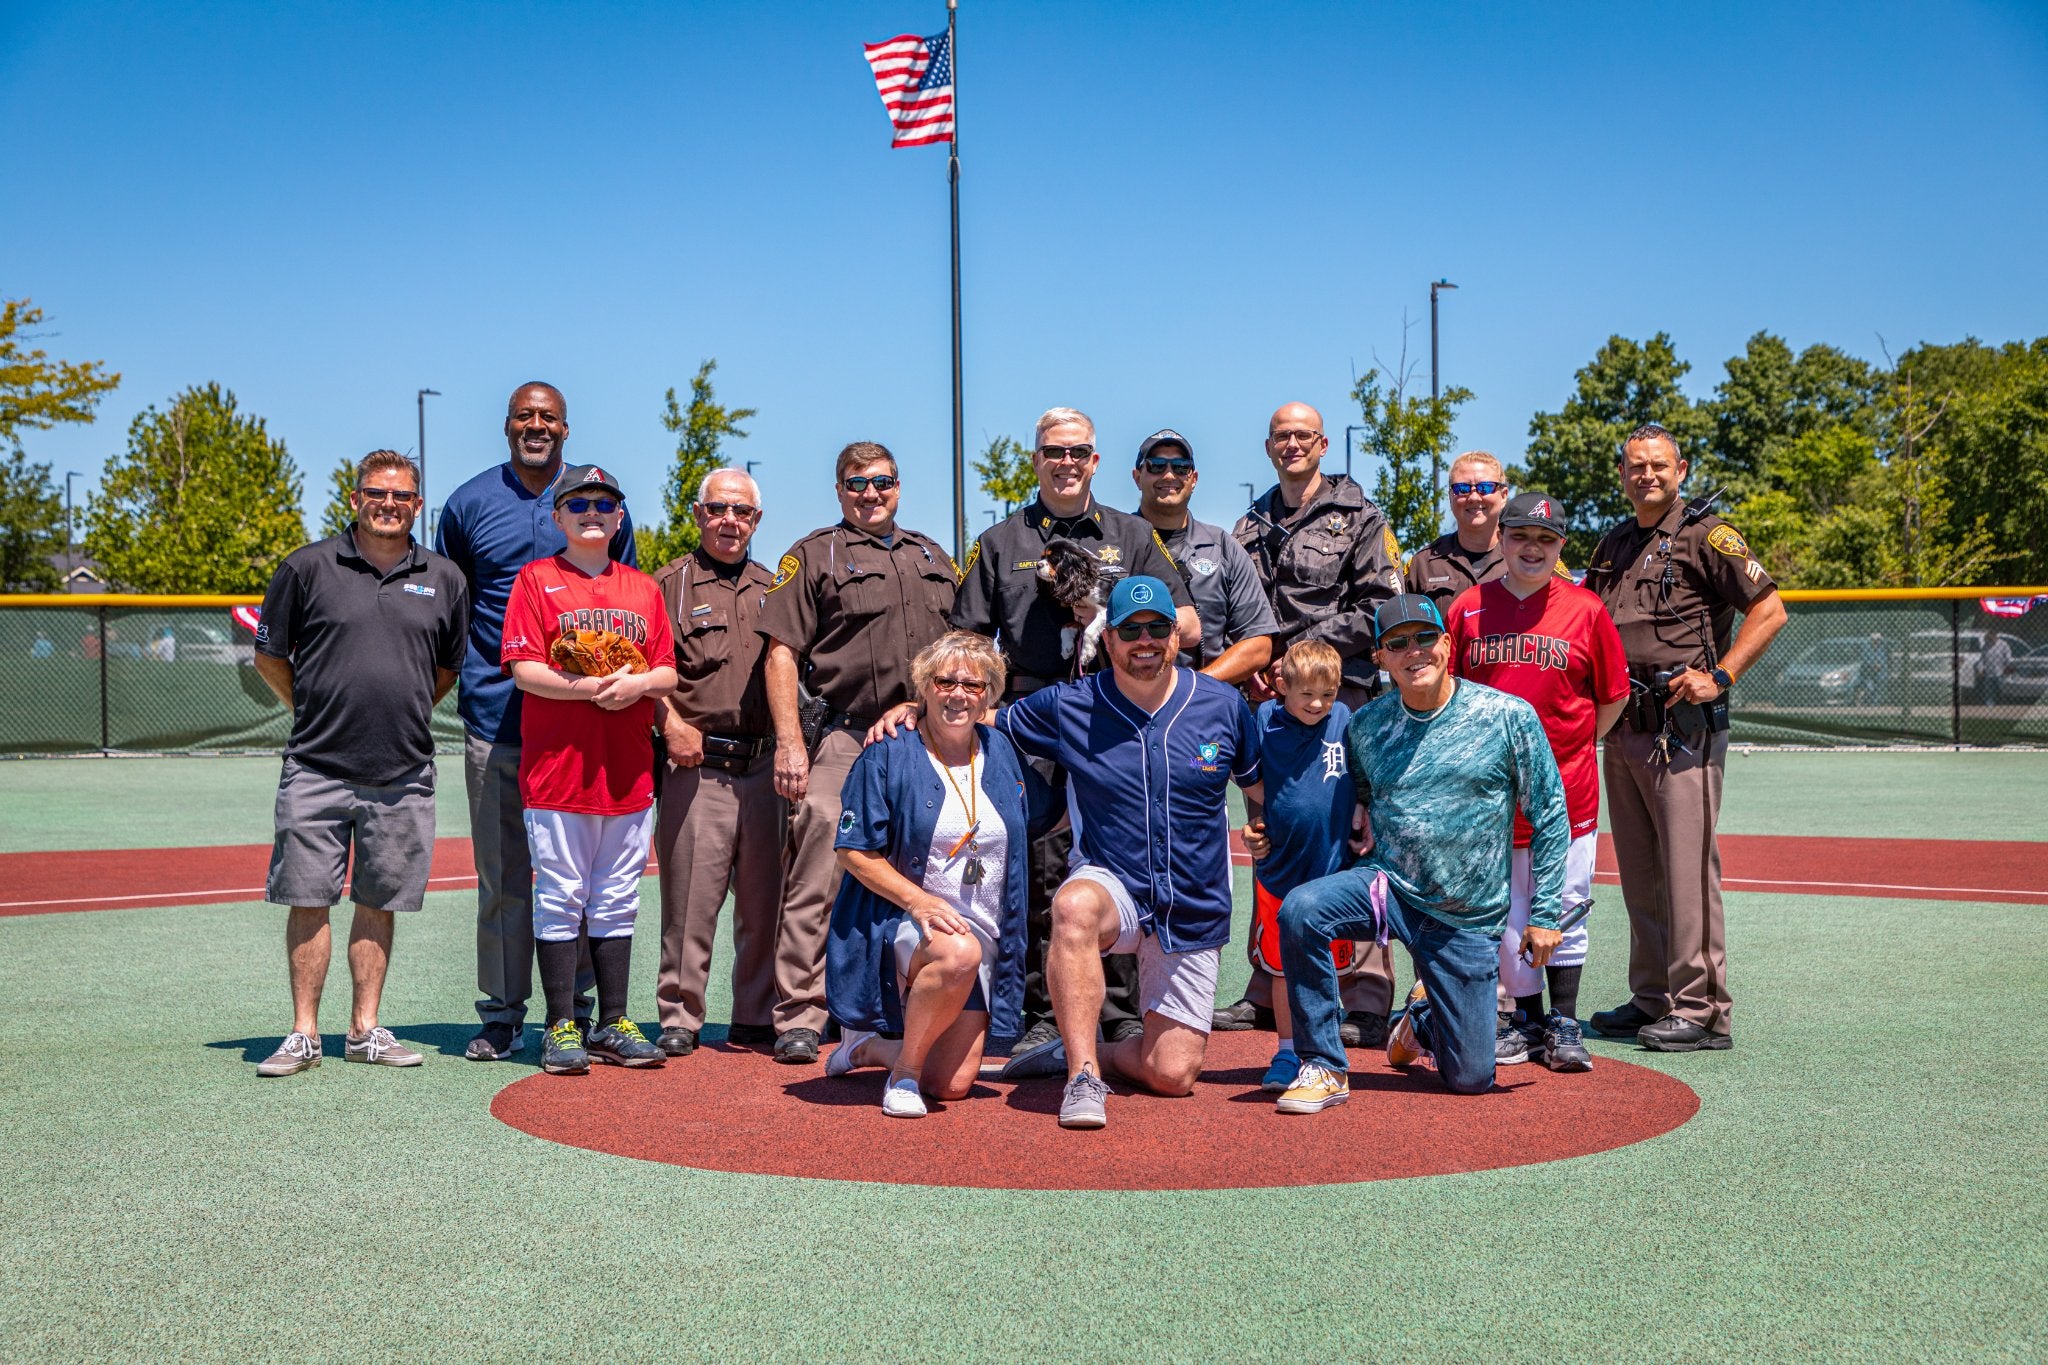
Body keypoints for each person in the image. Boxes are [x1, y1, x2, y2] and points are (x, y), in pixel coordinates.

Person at [948, 406, 1198, 1068]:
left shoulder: (1134, 533)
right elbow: (967, 638)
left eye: (1078, 451)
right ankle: (1039, 1012)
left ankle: (1113, 1015)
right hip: (1029, 717)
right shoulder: (1001, 541)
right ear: (1035, 460)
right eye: (1052, 451)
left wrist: (1105, 603)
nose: (1066, 461)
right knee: (1037, 866)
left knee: (1117, 861)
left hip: (1112, 717)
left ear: (1094, 460)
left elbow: (1190, 623)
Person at [1272, 594, 1570, 1113]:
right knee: (1301, 910)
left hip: (1466, 920)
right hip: (1389, 889)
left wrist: (1544, 915)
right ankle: (1321, 1063)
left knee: (1472, 1078)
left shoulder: (1505, 716)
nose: (1415, 652)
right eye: (1398, 643)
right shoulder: (1367, 725)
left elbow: (1550, 815)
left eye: (1425, 638)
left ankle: (1422, 1017)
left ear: (1448, 645)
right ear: (1383, 658)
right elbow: (1359, 791)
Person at [998, 576, 1262, 1129]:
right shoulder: (1069, 704)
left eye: (1157, 628)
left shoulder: (1223, 704)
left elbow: (1258, 793)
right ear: (1109, 640)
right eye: (1130, 630)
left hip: (1191, 898)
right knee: (1073, 909)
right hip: (1111, 880)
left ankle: (1090, 1054)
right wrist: (910, 710)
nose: (1144, 640)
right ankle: (1082, 1073)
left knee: (1172, 1076)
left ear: (1176, 637)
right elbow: (983, 721)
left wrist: (1266, 826)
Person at [437, 382, 637, 1062]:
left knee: (579, 876)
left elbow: (623, 603)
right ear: (506, 425)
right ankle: (500, 1013)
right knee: (502, 876)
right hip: (498, 717)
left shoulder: (598, 503)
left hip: (582, 724)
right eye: (525, 415)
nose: (536, 425)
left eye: (548, 416)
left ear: (566, 427)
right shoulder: (468, 503)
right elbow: (451, 601)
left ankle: (574, 1010)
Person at [252, 450, 468, 1077]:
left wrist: (398, 710)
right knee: (308, 896)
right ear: (355, 498)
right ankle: (303, 1035)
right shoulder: (306, 567)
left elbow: (446, 669)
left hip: (402, 772)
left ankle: (364, 1029)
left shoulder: (445, 577)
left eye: (401, 496)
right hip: (316, 766)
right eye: (377, 492)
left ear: (416, 504)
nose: (389, 504)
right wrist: (313, 707)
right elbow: (270, 657)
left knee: (378, 899)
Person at [1583, 424, 1786, 1052]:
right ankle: (1653, 997)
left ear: (1682, 469)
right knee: (1640, 874)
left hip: (1681, 731)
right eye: (1636, 466)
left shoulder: (1707, 535)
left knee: (1687, 870)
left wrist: (1721, 676)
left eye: (1658, 465)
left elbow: (1770, 609)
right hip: (1624, 727)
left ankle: (1701, 1010)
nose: (1647, 475)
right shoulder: (1612, 544)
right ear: (1622, 473)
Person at [760, 442, 957, 1065]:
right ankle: (800, 1012)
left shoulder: (933, 555)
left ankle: (926, 999)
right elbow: (781, 653)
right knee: (821, 849)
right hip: (846, 736)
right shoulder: (814, 554)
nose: (870, 494)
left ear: (899, 485)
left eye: (882, 482)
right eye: (856, 484)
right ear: (839, 489)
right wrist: (791, 742)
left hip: (924, 737)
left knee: (938, 861)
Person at [1223, 401, 1402, 1045]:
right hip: (1268, 702)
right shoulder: (1251, 522)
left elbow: (1379, 608)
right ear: (1268, 446)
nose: (1292, 444)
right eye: (1282, 436)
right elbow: (1235, 609)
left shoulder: (1360, 515)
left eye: (1303, 435)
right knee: (1273, 830)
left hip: (1338, 698)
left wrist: (1302, 656)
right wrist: (1255, 663)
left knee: (1352, 837)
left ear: (1323, 444)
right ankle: (1266, 984)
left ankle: (1365, 990)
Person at [825, 633, 1061, 1116]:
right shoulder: (889, 751)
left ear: (989, 694)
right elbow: (854, 852)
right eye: (945, 681)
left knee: (952, 1084)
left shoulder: (1004, 751)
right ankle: (904, 1077)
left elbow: (1046, 812)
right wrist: (921, 902)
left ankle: (866, 1048)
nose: (958, 694)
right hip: (908, 925)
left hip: (983, 932)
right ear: (924, 689)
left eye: (973, 685)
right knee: (958, 952)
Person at [501, 464, 677, 1074]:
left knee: (616, 897)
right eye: (578, 504)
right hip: (557, 770)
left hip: (628, 770)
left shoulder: (643, 588)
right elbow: (524, 670)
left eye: (604, 503)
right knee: (559, 896)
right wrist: (592, 687)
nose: (592, 512)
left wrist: (636, 687)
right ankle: (559, 1025)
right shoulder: (536, 579)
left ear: (620, 516)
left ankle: (612, 1021)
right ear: (558, 518)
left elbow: (667, 672)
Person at [1445, 493, 1629, 1072]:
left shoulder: (1586, 610)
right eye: (1521, 536)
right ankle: (1525, 1018)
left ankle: (1564, 1020)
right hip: (1491, 795)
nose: (1532, 548)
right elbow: (1449, 694)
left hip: (1568, 786)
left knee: (1567, 902)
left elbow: (1612, 698)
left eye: (1545, 540)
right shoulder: (1469, 607)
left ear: (1561, 548)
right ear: (1501, 539)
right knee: (1510, 908)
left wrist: (1568, 748)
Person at [649, 468, 785, 1058]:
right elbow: (641, 668)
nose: (731, 522)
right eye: (719, 509)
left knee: (764, 901)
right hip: (696, 762)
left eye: (744, 512)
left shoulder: (777, 587)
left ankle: (754, 1015)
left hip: (765, 766)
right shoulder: (665, 587)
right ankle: (680, 1013)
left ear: (756, 520)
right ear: (700, 514)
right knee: (689, 903)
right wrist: (668, 723)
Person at [1238, 640, 1361, 1094]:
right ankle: (1288, 1049)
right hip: (1279, 871)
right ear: (1281, 685)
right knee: (1280, 969)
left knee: (1330, 970)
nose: (1317, 704)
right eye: (1307, 693)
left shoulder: (1345, 719)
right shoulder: (1264, 721)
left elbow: (1362, 777)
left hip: (1332, 875)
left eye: (1327, 694)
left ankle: (1321, 1050)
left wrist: (1363, 808)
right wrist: (1254, 828)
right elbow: (1249, 782)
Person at [1127, 428, 1279, 685]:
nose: (1168, 474)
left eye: (1180, 467)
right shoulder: (1115, 543)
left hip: (1204, 711)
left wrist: (1194, 688)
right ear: (1137, 476)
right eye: (1155, 466)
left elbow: (1258, 643)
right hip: (1126, 707)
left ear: (1193, 478)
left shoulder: (1222, 547)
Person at [1402, 452, 1512, 612]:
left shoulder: (1526, 557)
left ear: (1503, 496)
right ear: (1450, 496)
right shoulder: (1424, 564)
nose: (1474, 497)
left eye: (1485, 487)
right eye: (1462, 489)